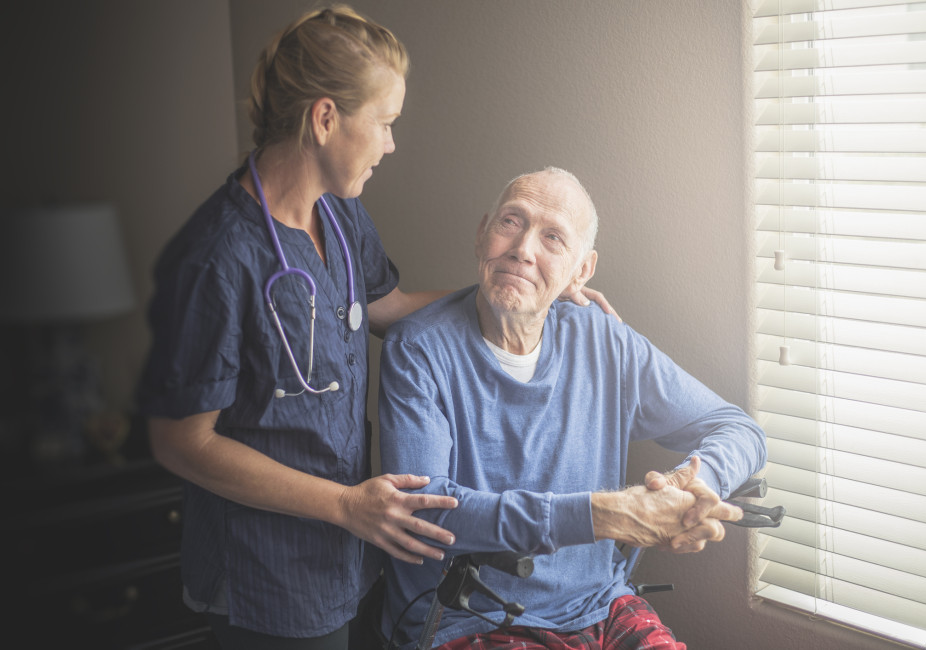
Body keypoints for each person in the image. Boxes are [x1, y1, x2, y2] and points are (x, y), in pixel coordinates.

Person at [137, 7, 612, 649]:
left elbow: (388, 309)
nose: (391, 143)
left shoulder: (338, 216)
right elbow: (179, 443)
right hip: (264, 571)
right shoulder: (219, 257)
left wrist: (530, 293)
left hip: (350, 554)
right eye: (385, 123)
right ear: (326, 118)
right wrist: (343, 505)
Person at [378, 167, 768, 649]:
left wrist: (697, 480)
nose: (523, 248)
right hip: (470, 618)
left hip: (599, 604)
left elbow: (737, 429)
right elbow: (426, 514)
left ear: (581, 270)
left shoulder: (606, 343)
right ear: (482, 235)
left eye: (553, 238)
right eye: (510, 221)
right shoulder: (417, 350)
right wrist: (606, 515)